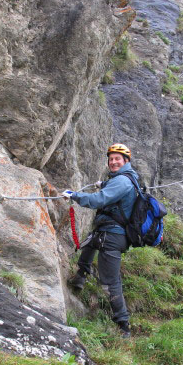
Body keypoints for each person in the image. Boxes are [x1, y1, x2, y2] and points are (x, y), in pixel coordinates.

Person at [62, 143, 138, 338]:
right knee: (90, 244)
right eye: (111, 159)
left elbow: (99, 201)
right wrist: (103, 184)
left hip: (112, 237)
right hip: (107, 232)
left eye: (117, 159)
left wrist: (75, 196)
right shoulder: (124, 179)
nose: (113, 162)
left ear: (126, 161)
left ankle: (123, 326)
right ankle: (80, 277)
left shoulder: (122, 181)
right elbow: (114, 192)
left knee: (111, 282)